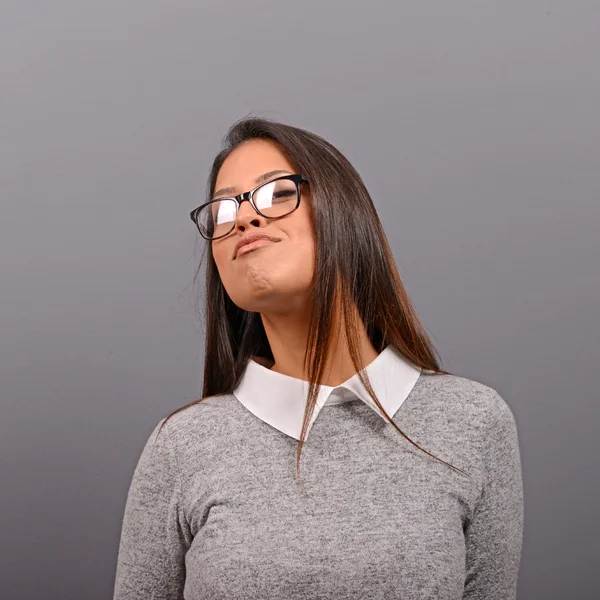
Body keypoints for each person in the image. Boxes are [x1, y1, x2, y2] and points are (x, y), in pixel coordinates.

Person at [112, 116, 524, 599]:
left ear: (342, 211)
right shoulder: (181, 446)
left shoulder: (472, 421)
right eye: (223, 210)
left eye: (277, 193)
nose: (244, 218)